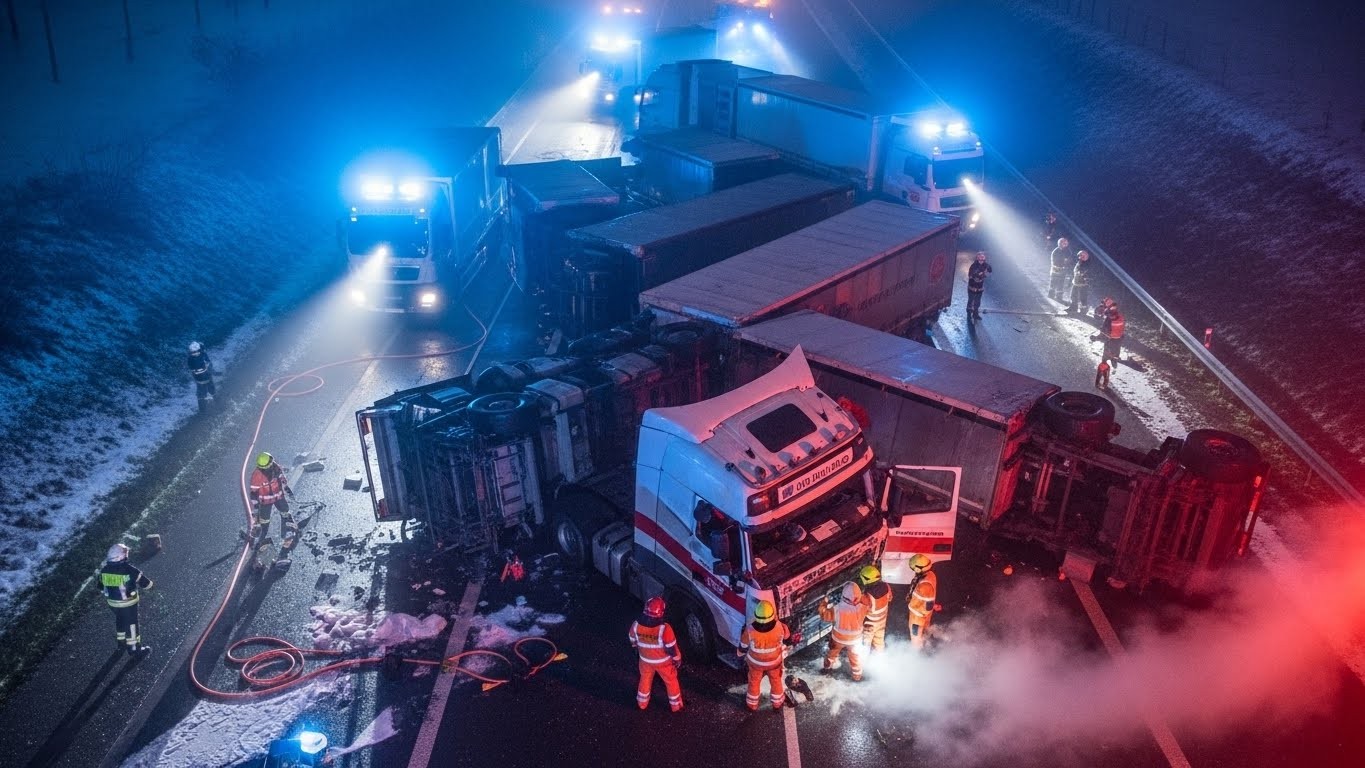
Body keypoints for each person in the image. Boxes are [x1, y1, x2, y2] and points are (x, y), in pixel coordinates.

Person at [737, 600, 796, 712]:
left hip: (756, 663)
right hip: (774, 662)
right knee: (776, 681)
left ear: (756, 615)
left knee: (754, 682)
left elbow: (743, 646)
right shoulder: (780, 627)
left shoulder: (750, 630)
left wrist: (739, 653)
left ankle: (752, 705)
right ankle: (777, 704)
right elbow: (788, 637)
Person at [629, 596, 684, 712]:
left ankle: (642, 703)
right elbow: (671, 648)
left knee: (645, 679)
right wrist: (677, 658)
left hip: (645, 661)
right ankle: (676, 706)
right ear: (661, 613)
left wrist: (637, 648)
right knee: (671, 681)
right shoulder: (665, 629)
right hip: (663, 663)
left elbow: (632, 641)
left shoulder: (636, 625)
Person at [100, 543, 154, 656]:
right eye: (125, 554)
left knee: (120, 621)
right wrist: (151, 586)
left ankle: (121, 642)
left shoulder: (104, 570)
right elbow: (146, 583)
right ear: (121, 557)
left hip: (113, 604)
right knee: (132, 625)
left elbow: (100, 587)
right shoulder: (129, 569)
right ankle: (134, 649)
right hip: (128, 604)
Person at [819, 581, 868, 681]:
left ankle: (827, 669)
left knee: (832, 654)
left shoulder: (837, 609)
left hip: (838, 639)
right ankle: (857, 676)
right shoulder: (863, 607)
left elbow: (824, 614)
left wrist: (824, 602)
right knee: (855, 658)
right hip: (855, 640)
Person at [248, 452, 296, 546]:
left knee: (285, 511)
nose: (272, 462)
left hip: (278, 496)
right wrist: (256, 505)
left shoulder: (275, 468)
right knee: (264, 519)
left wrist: (286, 487)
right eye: (271, 461)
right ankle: (261, 537)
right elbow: (253, 492)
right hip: (265, 501)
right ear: (266, 465)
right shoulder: (257, 476)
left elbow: (281, 477)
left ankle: (286, 533)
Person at [906, 554, 938, 650]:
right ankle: (925, 644)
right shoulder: (930, 574)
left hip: (918, 617)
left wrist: (921, 616)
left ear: (918, 569)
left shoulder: (925, 585)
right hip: (923, 614)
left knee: (915, 636)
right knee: (924, 630)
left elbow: (928, 604)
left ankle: (916, 653)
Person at [858, 565, 892, 654]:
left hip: (870, 625)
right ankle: (880, 658)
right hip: (882, 622)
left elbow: (858, 608)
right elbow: (890, 598)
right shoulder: (886, 586)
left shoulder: (867, 597)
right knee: (879, 642)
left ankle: (863, 662)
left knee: (865, 645)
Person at [187, 341, 215, 410]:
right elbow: (190, 367)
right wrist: (195, 370)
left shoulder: (203, 355)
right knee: (200, 393)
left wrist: (207, 366)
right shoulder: (190, 359)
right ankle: (202, 409)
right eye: (193, 352)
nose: (195, 354)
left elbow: (208, 362)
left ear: (199, 350)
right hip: (198, 379)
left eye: (196, 351)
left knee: (211, 389)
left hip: (207, 376)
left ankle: (215, 398)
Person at [965, 251, 992, 321]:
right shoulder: (973, 266)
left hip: (980, 287)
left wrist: (985, 275)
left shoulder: (987, 266)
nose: (981, 258)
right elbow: (970, 275)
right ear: (977, 258)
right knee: (971, 300)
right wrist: (976, 275)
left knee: (977, 301)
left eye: (983, 256)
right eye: (980, 256)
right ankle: (969, 311)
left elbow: (990, 271)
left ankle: (975, 314)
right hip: (972, 286)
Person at [1048, 237, 1074, 301]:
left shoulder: (1067, 251)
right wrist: (1064, 261)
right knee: (1053, 283)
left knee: (1061, 284)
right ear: (1060, 243)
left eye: (1066, 243)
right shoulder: (1056, 251)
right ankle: (1051, 294)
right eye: (1064, 243)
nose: (1065, 244)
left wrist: (1067, 262)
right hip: (1055, 270)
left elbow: (1069, 259)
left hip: (1062, 270)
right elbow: (1056, 262)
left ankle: (1059, 296)